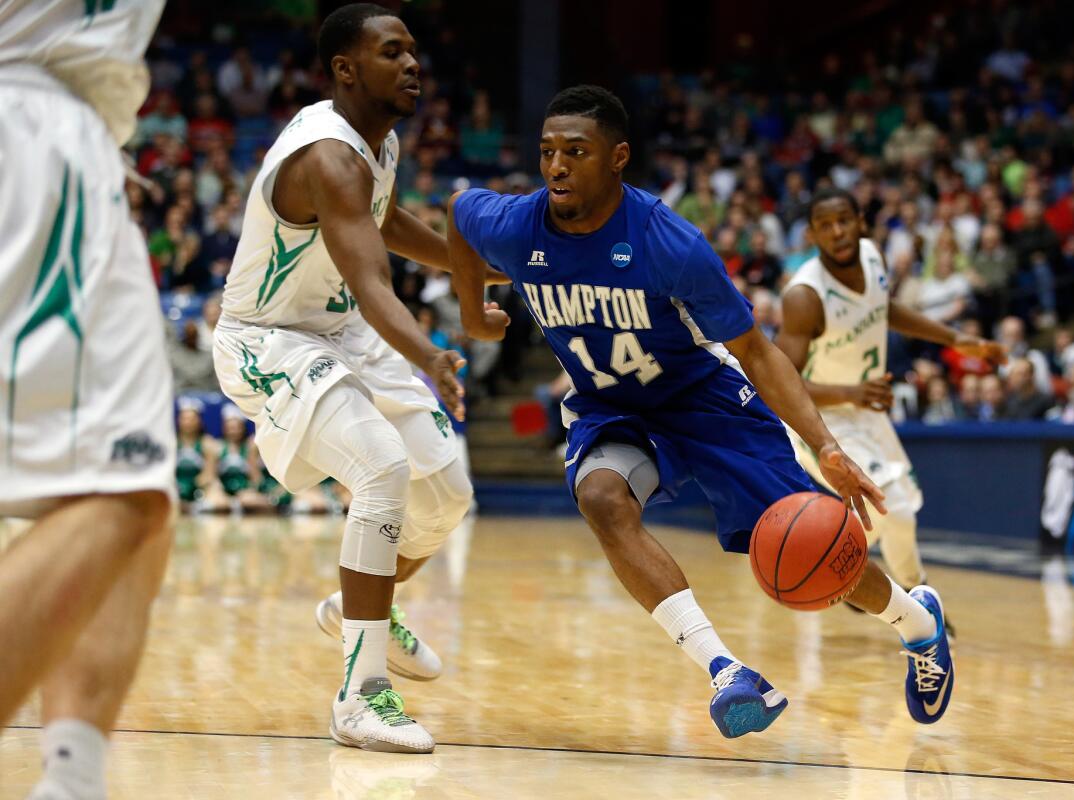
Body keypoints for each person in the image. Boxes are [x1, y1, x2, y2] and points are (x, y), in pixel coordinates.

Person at [448, 85, 957, 738]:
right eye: (548, 152)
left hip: (706, 404)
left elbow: (756, 350)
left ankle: (918, 624)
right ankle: (726, 672)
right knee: (601, 497)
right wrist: (471, 313)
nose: (556, 166)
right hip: (613, 408)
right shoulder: (519, 225)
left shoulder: (669, 242)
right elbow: (460, 214)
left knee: (812, 544)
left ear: (618, 158)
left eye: (576, 152)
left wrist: (826, 446)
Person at [212, 4, 487, 753]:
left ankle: (365, 603)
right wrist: (431, 353)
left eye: (414, 52)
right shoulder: (329, 157)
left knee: (448, 493)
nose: (411, 64)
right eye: (392, 52)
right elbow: (371, 279)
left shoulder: (380, 143)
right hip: (269, 340)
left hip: (339, 332)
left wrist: (473, 270)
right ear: (345, 69)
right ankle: (361, 695)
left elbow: (385, 222)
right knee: (382, 469)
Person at [0, 2, 175, 799]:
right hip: (30, 126)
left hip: (68, 139)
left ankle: (72, 781)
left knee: (138, 494)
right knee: (118, 495)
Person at [776, 187, 1005, 612]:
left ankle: (852, 571)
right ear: (811, 235)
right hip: (821, 421)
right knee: (894, 509)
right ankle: (920, 602)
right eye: (825, 226)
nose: (838, 232)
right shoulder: (804, 296)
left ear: (862, 220)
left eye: (845, 220)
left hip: (866, 411)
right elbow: (780, 381)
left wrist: (957, 338)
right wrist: (851, 391)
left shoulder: (870, 255)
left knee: (899, 509)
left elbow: (883, 308)